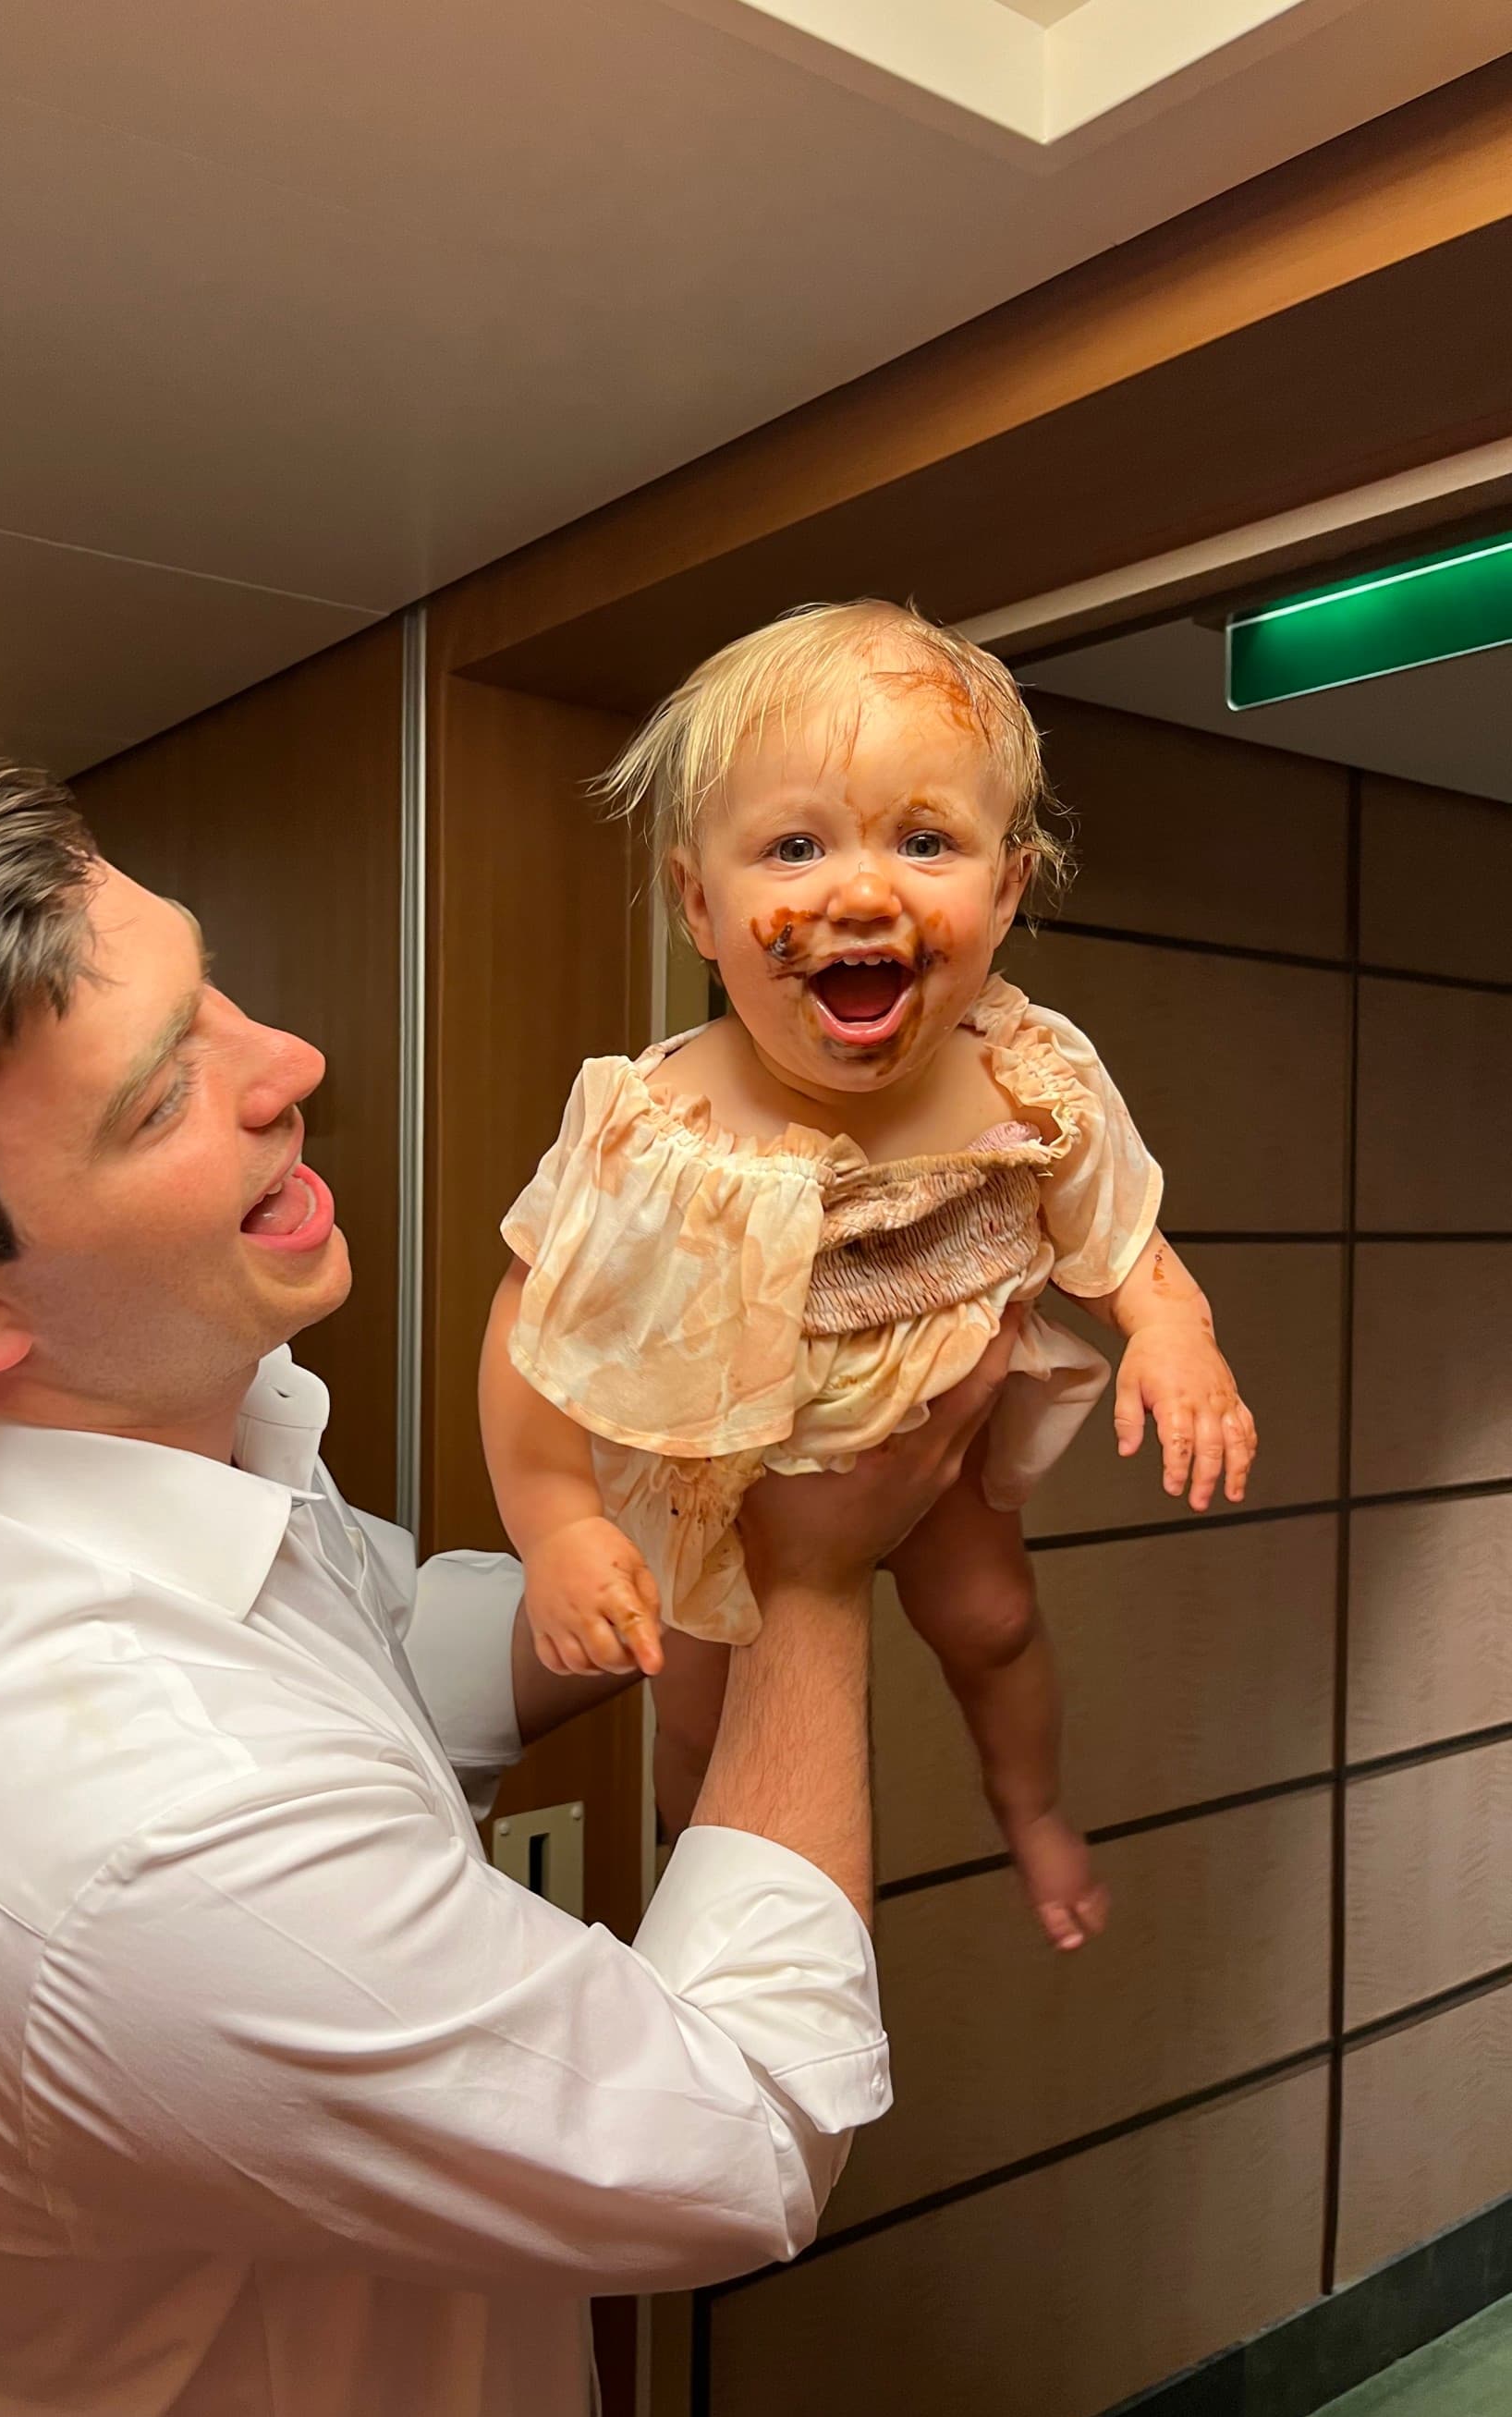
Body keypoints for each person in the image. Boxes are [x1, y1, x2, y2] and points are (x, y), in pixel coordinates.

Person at [0, 745, 1024, 2417]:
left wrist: (702, 1510)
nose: (291, 1064)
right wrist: (816, 1575)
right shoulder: (144, 1834)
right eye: (161, 1095)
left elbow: (369, 1658)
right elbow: (739, 2135)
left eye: (210, 990)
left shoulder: (15, 1436)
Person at [481, 601, 1259, 1953]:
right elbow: (530, 1320)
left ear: (1006, 891)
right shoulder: (658, 1128)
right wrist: (553, 1524)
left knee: (995, 1624)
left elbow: (1122, 1235)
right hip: (729, 1478)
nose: (860, 892)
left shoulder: (1027, 1077)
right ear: (699, 905)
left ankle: (1032, 1810)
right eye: (794, 847)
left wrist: (1174, 1335)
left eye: (925, 841)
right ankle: (701, 1921)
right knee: (699, 1708)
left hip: (939, 1439)